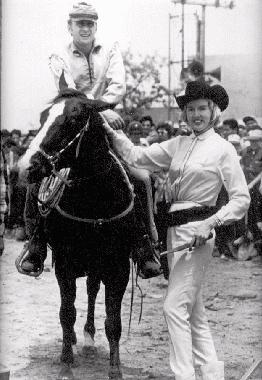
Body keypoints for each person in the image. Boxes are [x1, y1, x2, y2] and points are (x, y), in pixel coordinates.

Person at [102, 80, 250, 380]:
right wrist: (107, 127)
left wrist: (211, 224)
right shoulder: (179, 144)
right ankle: (212, 375)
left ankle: (184, 376)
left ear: (214, 113)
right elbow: (135, 156)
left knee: (172, 306)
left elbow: (241, 198)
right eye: (190, 109)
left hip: (199, 233)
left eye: (202, 109)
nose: (196, 115)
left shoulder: (222, 149)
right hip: (174, 230)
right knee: (194, 311)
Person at [21, 2, 161, 278]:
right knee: (37, 173)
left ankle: (145, 243)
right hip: (72, 121)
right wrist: (102, 109)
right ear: (69, 26)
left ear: (95, 26)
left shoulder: (110, 49)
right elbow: (67, 90)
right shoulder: (58, 54)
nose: (84, 28)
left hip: (104, 121)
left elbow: (117, 84)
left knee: (142, 177)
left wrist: (105, 109)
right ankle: (35, 243)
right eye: (79, 23)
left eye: (89, 23)